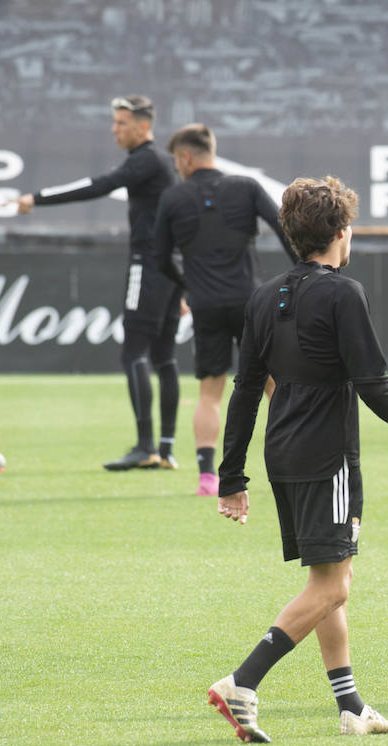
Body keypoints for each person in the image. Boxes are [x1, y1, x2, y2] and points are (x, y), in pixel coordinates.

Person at [207, 176, 388, 742]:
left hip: (281, 454)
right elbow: (374, 383)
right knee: (332, 587)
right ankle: (242, 681)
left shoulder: (265, 296)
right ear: (342, 231)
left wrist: (231, 476)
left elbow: (244, 390)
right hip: (327, 457)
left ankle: (351, 707)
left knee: (330, 575)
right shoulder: (343, 293)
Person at [13, 95, 183, 471]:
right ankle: (166, 448)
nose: (114, 129)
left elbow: (97, 185)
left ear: (142, 126)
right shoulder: (164, 162)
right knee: (164, 357)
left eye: (121, 123)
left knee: (134, 353)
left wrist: (36, 198)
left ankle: (145, 447)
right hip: (171, 266)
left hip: (149, 264)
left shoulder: (145, 160)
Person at [154, 123, 299, 496]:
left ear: (185, 157)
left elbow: (160, 258)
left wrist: (189, 283)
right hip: (252, 303)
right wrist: (301, 273)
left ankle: (207, 477)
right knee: (273, 383)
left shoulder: (173, 199)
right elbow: (285, 227)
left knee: (209, 393)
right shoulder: (246, 187)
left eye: (176, 161)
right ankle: (294, 460)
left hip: (205, 305)